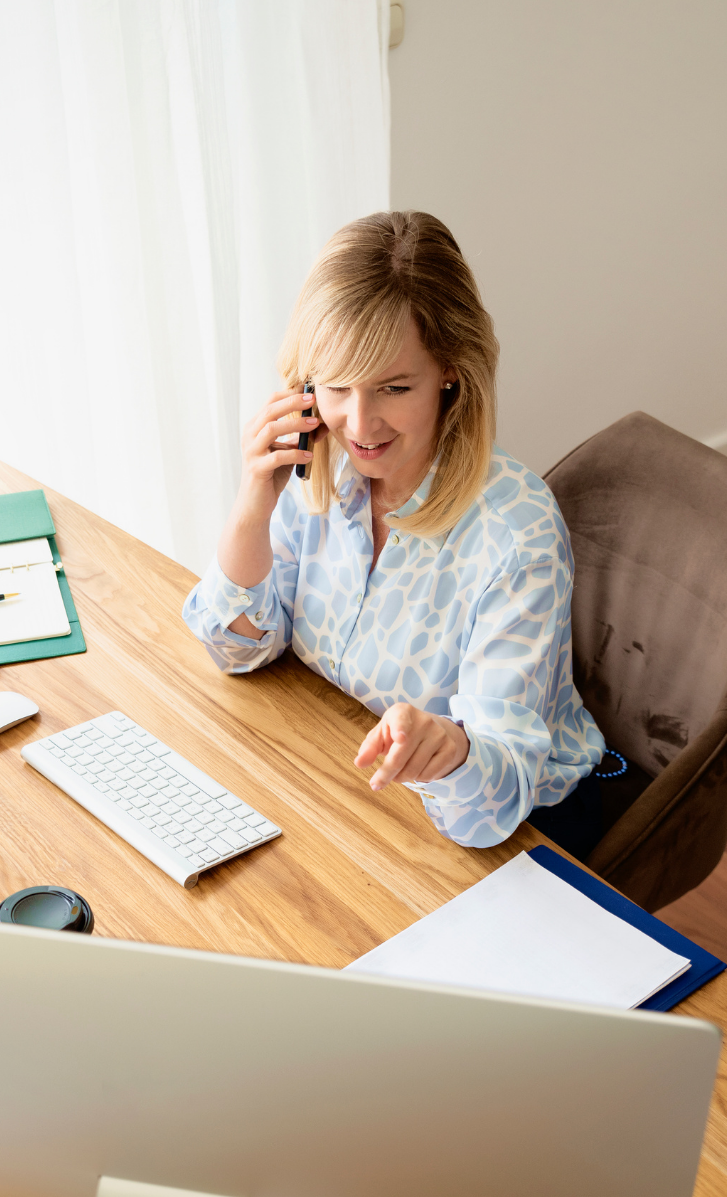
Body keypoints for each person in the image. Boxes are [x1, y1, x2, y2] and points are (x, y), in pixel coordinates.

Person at [181, 211, 612, 855]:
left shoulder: (516, 533)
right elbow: (238, 652)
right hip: (349, 782)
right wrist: (253, 504)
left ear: (451, 371)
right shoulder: (319, 465)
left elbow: (489, 807)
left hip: (522, 827)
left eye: (393, 387)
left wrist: (451, 748)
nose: (360, 423)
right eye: (335, 386)